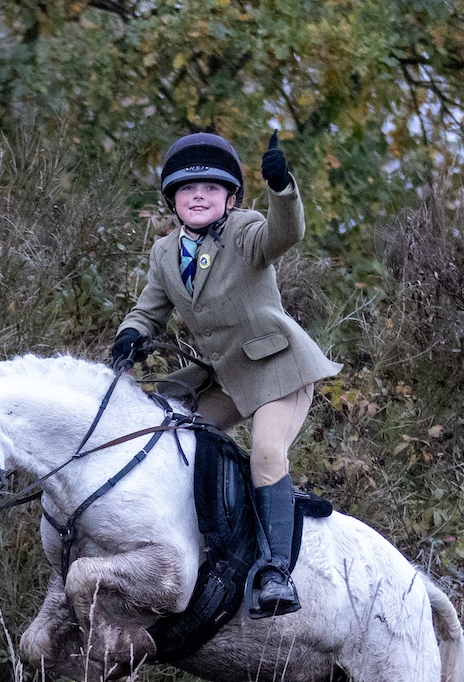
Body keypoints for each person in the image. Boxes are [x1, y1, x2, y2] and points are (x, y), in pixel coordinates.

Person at [109, 131, 339, 619]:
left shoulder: (245, 230)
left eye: (212, 189)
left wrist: (282, 189)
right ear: (172, 199)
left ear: (231, 198)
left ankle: (276, 574)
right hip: (228, 379)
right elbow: (148, 311)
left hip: (279, 368)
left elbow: (285, 233)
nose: (199, 196)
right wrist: (129, 335)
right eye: (188, 190)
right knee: (175, 436)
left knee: (267, 453)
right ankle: (205, 542)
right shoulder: (164, 253)